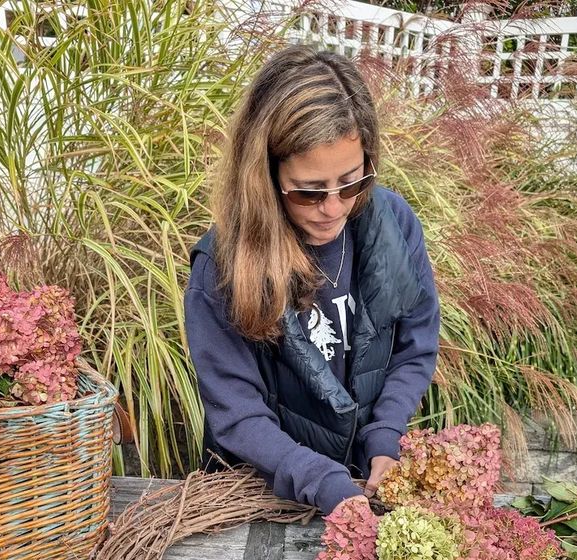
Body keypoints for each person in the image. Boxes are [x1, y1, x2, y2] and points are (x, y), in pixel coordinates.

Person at [184, 44, 440, 516]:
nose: (334, 208)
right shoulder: (221, 267)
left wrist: (386, 436)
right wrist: (321, 479)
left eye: (352, 182)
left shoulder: (395, 225)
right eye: (308, 191)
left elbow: (414, 346)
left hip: (364, 483)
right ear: (265, 175)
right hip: (254, 496)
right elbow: (237, 413)